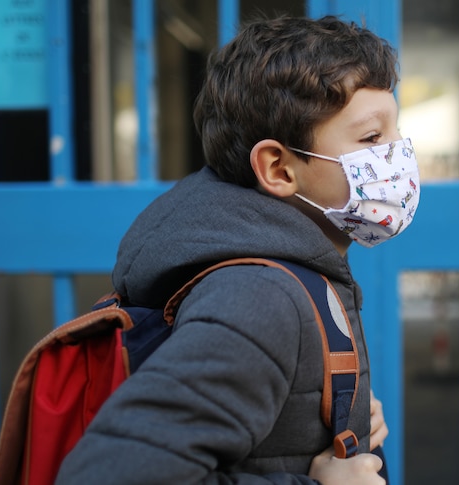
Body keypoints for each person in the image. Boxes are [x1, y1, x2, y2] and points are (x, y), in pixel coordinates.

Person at [55, 14, 420, 484]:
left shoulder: (289, 271)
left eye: (394, 133)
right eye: (372, 138)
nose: (399, 154)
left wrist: (334, 407)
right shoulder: (260, 299)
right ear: (278, 169)